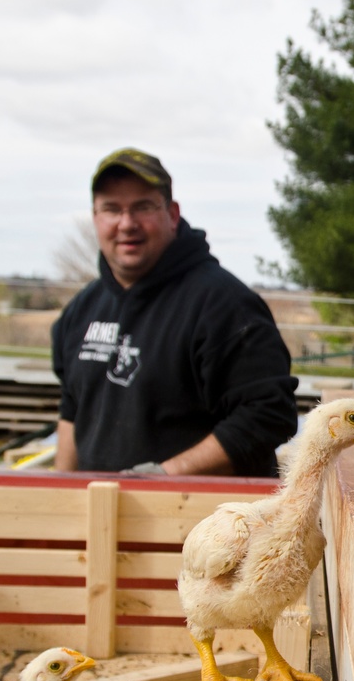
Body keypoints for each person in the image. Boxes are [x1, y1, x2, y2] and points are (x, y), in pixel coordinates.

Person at [51, 147, 299, 477]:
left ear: (172, 214)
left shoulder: (225, 306)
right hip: (100, 518)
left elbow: (268, 415)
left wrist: (162, 477)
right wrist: (60, 496)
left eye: (143, 207)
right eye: (112, 209)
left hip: (202, 522)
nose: (127, 224)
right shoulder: (81, 310)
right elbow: (71, 413)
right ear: (96, 217)